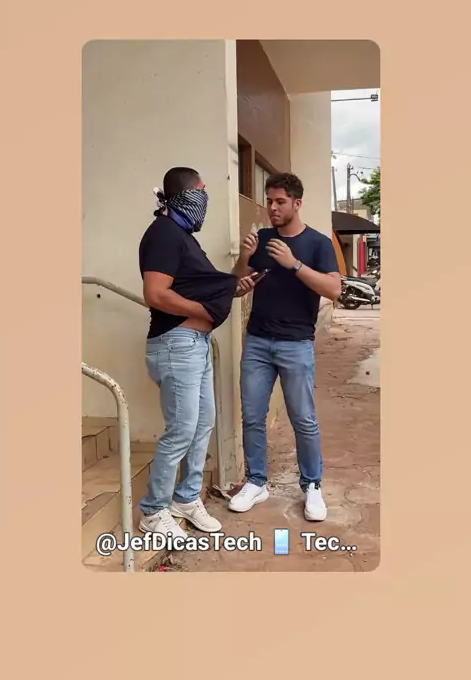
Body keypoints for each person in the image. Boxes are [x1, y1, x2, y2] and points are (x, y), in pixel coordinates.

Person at [138, 166, 255, 539]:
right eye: (202, 191)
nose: (206, 198)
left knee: (203, 423)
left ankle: (186, 499)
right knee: (181, 430)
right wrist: (204, 311)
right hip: (176, 345)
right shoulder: (163, 234)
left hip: (195, 346)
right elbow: (155, 294)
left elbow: (197, 286)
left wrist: (230, 289)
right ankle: (153, 511)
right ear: (186, 193)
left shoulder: (183, 237)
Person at [228, 172, 341, 521]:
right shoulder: (262, 239)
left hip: (296, 344)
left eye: (280, 202)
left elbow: (334, 289)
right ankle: (256, 482)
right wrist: (244, 261)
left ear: (297, 203)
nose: (272, 208)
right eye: (269, 201)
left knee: (303, 419)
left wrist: (294, 264)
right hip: (258, 341)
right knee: (252, 416)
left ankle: (312, 485)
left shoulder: (318, 243)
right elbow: (234, 284)